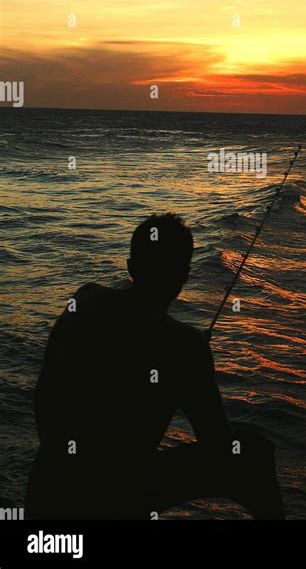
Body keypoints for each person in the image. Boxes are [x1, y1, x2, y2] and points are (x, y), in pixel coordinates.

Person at [26, 213, 285, 519]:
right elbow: (216, 443)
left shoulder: (86, 302)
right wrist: (196, 367)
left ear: (131, 267)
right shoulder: (185, 347)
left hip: (48, 489)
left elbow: (43, 399)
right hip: (122, 496)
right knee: (256, 455)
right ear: (184, 277)